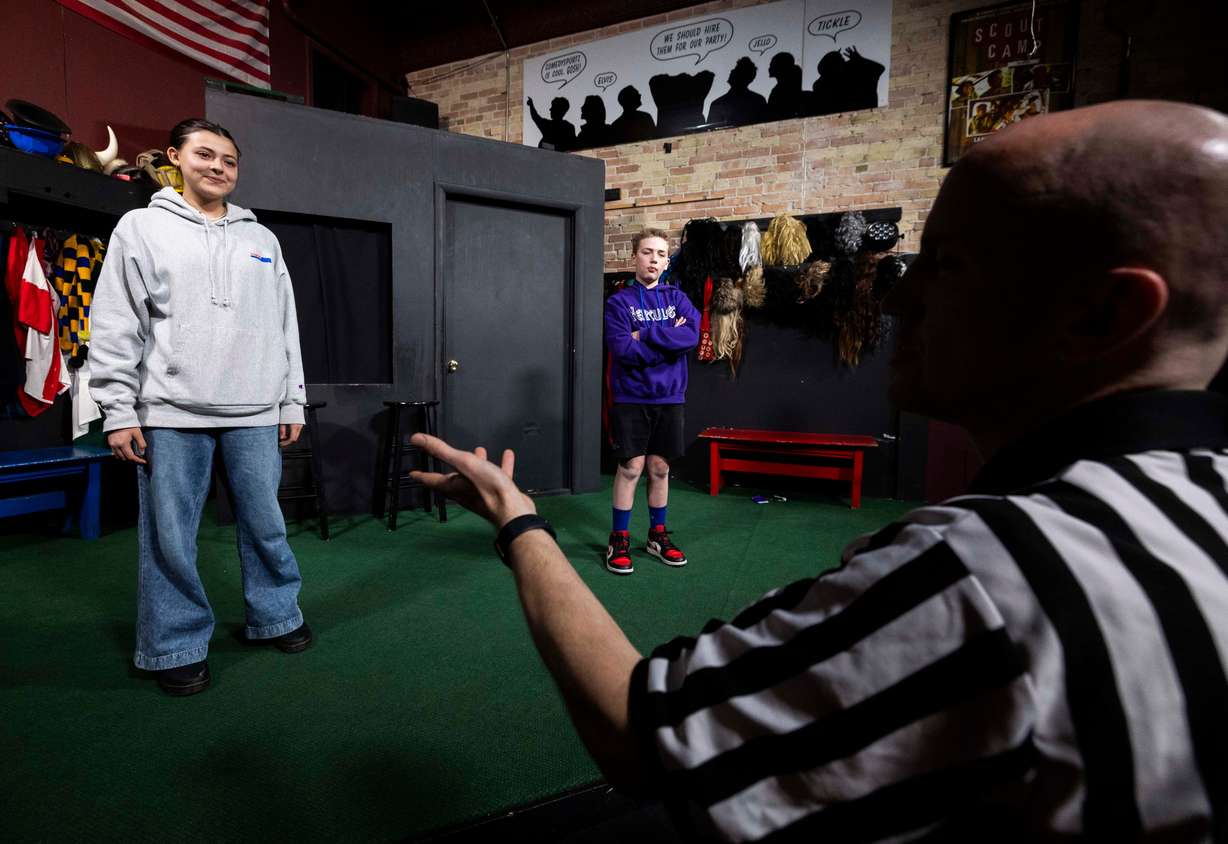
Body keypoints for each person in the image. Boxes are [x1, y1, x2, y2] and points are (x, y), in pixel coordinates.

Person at [408, 99, 1228, 840]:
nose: (901, 302)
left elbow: (640, 731)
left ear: (1105, 313)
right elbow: (652, 340)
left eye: (943, 264)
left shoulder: (982, 572)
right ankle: (633, 535)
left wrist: (517, 520)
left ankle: (650, 532)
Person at [90, 118, 311, 697]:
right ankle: (174, 645)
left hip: (256, 410)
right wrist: (118, 410)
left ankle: (277, 616)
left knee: (267, 525)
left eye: (229, 160)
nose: (218, 167)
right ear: (175, 158)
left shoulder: (262, 240)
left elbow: (284, 326)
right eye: (206, 155)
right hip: (169, 413)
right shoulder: (140, 228)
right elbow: (115, 323)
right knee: (170, 536)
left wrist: (293, 400)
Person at [601, 228, 700, 574]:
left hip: (670, 397)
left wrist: (646, 334)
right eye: (647, 252)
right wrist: (667, 344)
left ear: (666, 260)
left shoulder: (678, 299)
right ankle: (619, 538)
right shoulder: (619, 303)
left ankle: (657, 536)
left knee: (660, 468)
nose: (654, 259)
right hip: (631, 397)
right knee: (631, 468)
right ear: (634, 257)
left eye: (660, 253)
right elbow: (621, 349)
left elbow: (690, 336)